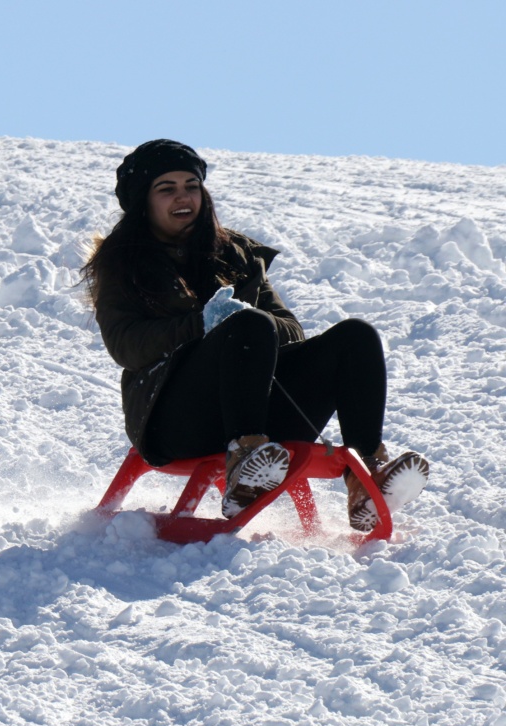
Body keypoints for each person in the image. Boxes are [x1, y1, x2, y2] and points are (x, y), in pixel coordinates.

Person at [83, 139, 428, 528]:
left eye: (191, 186)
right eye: (167, 189)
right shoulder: (122, 263)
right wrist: (203, 325)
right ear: (143, 201)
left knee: (355, 337)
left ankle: (367, 473)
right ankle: (242, 459)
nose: (184, 197)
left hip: (259, 413)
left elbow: (291, 329)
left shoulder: (235, 255)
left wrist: (244, 323)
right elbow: (126, 347)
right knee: (247, 325)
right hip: (174, 422)